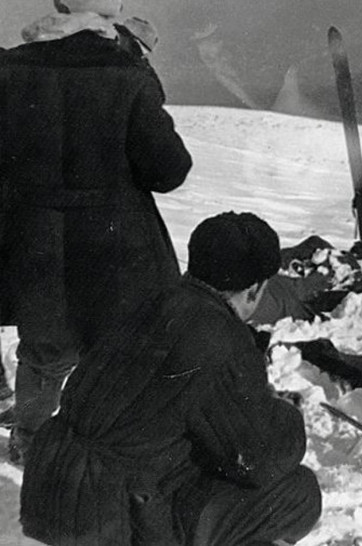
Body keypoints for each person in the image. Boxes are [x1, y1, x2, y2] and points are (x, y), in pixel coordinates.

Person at [20, 211, 322, 545]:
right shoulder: (219, 334)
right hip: (110, 516)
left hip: (51, 486)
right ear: (253, 289)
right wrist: (284, 412)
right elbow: (260, 459)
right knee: (297, 493)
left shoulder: (145, 300)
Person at [0, 0, 192, 463]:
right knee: (116, 348)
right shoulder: (127, 72)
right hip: (115, 242)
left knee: (43, 347)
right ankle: (108, 446)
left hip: (33, 238)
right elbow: (169, 170)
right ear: (112, 12)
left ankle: (30, 443)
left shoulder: (8, 68)